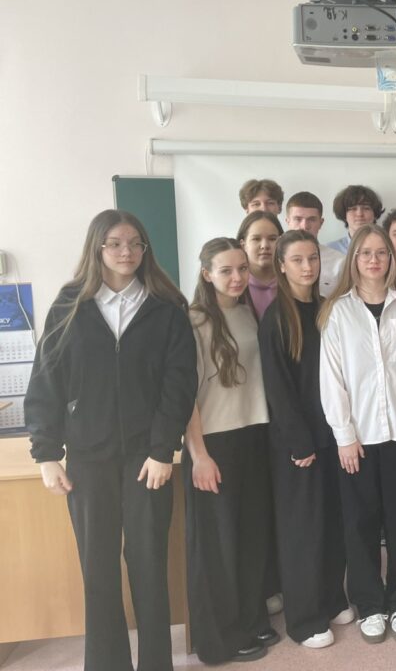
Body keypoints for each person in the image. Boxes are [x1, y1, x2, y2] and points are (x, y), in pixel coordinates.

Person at [25, 210, 197, 671]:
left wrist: (163, 450)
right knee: (98, 570)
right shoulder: (69, 305)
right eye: (116, 244)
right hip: (88, 459)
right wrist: (46, 453)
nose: (127, 252)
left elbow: (179, 386)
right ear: (97, 248)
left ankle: (156, 664)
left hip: (147, 460)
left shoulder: (166, 307)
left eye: (136, 243)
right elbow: (46, 381)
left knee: (148, 566)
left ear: (145, 250)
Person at [320, 225, 396, 644]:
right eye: (365, 252)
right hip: (359, 439)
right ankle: (369, 604)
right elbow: (331, 379)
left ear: (391, 258)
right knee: (360, 524)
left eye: (380, 252)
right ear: (354, 258)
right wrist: (344, 435)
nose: (373, 259)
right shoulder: (338, 311)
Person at [259, 230, 353, 649]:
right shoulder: (276, 318)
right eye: (297, 260)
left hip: (333, 436)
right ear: (281, 266)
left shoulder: (325, 308)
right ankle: (304, 619)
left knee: (333, 523)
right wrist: (300, 443)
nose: (307, 267)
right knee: (304, 531)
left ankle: (332, 599)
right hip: (299, 445)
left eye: (312, 258)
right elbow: (278, 389)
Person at [184, 238, 275, 664]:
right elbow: (186, 397)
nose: (237, 277)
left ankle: (251, 619)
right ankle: (221, 637)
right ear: (207, 274)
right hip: (214, 442)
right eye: (226, 270)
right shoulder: (193, 320)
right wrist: (199, 455)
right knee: (219, 547)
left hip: (253, 435)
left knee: (251, 537)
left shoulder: (247, 312)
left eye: (242, 269)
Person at [284, 191, 344, 296]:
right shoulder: (275, 259)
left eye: (311, 219)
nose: (304, 226)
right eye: (298, 219)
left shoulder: (339, 262)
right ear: (288, 221)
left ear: (321, 223)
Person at [238, 211, 283, 320]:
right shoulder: (234, 285)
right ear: (243, 245)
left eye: (272, 239)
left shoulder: (293, 282)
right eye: (256, 239)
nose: (265, 246)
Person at [326, 185, 384, 257]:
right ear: (344, 214)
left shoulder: (387, 246)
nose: (359, 214)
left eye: (366, 208)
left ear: (374, 213)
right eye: (353, 209)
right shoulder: (330, 250)